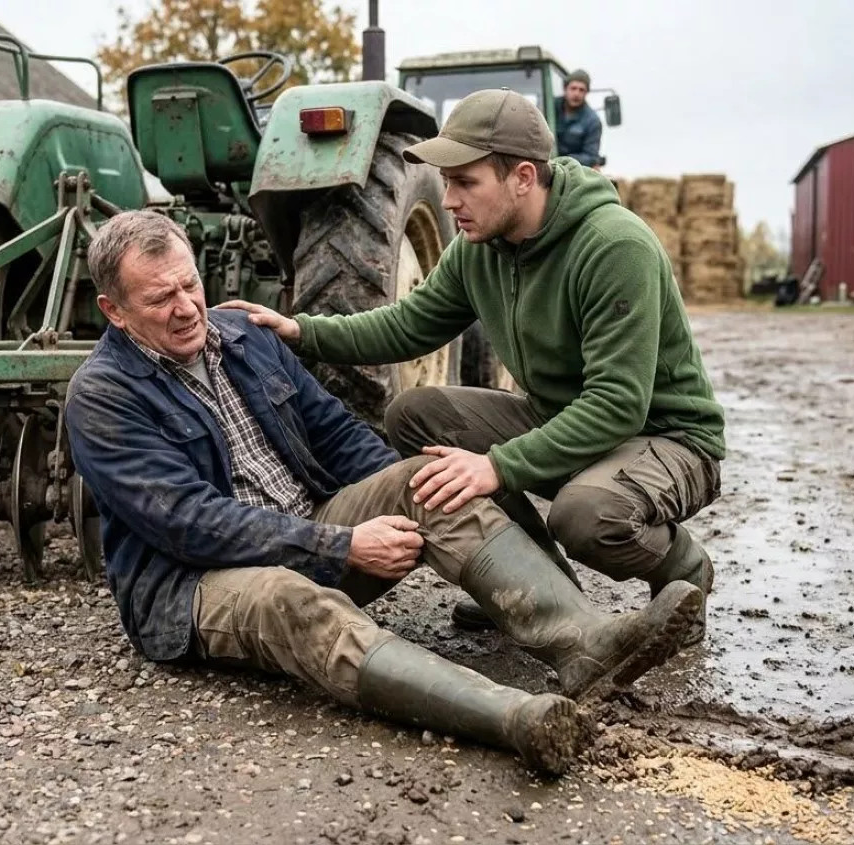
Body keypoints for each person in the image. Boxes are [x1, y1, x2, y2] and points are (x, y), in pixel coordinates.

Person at [64, 211, 705, 775]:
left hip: (310, 530)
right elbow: (187, 523)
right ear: (114, 311)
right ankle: (514, 718)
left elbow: (336, 431)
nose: (186, 308)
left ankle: (584, 644)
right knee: (284, 597)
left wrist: (399, 500)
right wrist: (342, 542)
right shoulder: (103, 397)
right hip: (197, 583)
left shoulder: (241, 336)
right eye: (160, 299)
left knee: (421, 478)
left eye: (190, 284)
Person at [219, 88, 725, 647]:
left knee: (586, 516)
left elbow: (618, 405)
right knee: (416, 412)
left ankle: (685, 569)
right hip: (568, 418)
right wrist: (302, 330)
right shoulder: (478, 247)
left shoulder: (614, 245)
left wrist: (498, 466)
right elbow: (407, 325)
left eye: (465, 183)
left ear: (524, 177)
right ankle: (543, 589)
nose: (449, 200)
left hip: (667, 438)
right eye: (447, 182)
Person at [555, 69, 602, 168]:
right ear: (565, 89)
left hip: (573, 169)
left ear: (586, 93)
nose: (577, 93)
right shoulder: (550, 106)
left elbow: (591, 156)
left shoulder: (592, 121)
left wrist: (563, 160)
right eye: (573, 88)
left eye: (581, 90)